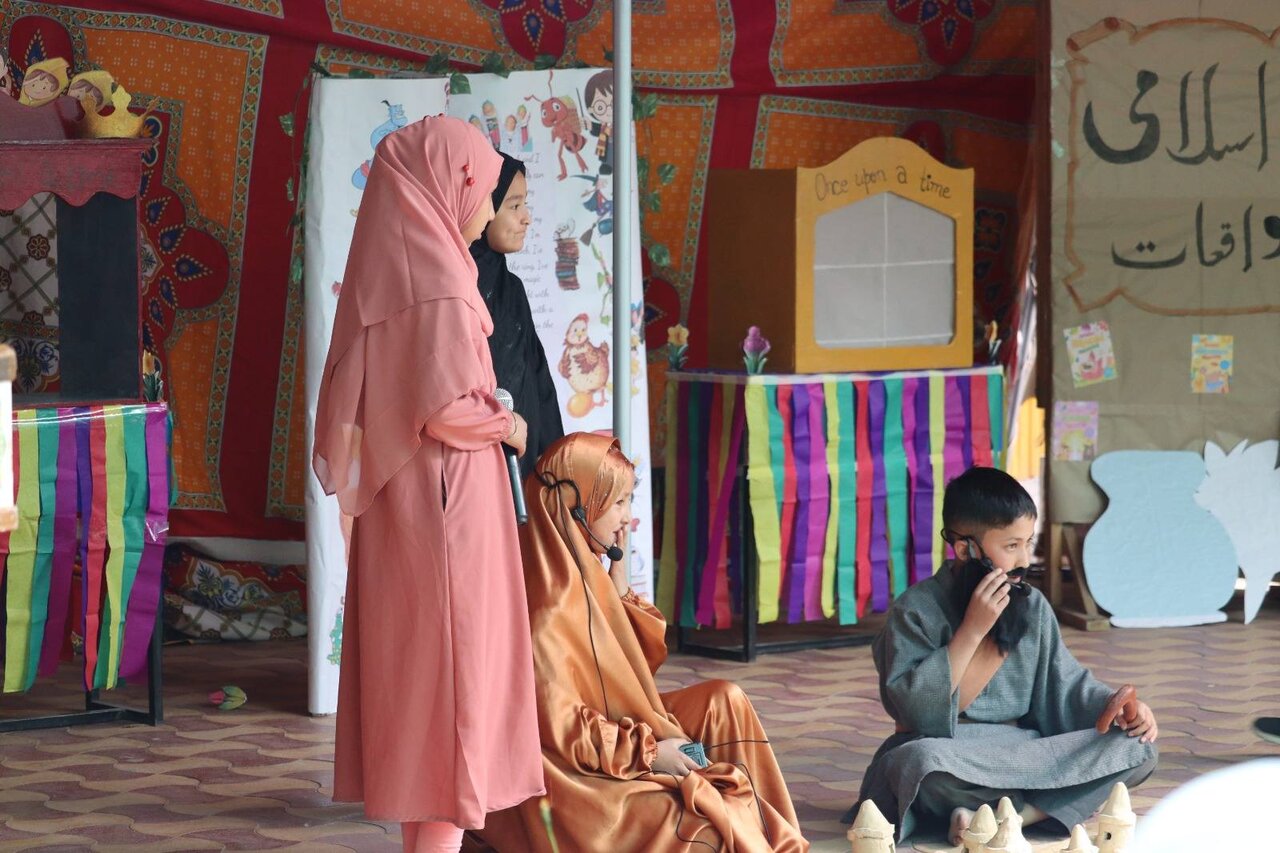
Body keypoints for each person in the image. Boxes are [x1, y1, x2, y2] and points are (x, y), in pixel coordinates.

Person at [313, 116, 544, 853]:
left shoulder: (397, 271)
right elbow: (446, 409)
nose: (485, 205)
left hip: (412, 508)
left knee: (429, 698)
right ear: (448, 186)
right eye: (481, 187)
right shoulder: (438, 286)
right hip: (447, 512)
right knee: (455, 697)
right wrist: (508, 423)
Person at [479, 433, 809, 852]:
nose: (627, 518)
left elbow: (637, 668)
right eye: (617, 503)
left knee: (725, 700)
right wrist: (651, 754)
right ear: (576, 508)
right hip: (574, 781)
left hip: (612, 741)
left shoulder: (583, 570)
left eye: (628, 501)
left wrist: (617, 587)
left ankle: (774, 838)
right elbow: (566, 732)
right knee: (703, 831)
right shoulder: (547, 609)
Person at [845, 467, 1159, 844]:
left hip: (1027, 752)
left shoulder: (1033, 605)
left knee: (1137, 748)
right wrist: (973, 630)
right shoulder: (916, 610)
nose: (1024, 559)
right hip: (952, 754)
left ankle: (1010, 819)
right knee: (918, 763)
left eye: (1028, 543)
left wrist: (1116, 708)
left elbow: (1065, 684)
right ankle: (1022, 807)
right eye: (1011, 546)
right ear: (966, 549)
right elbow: (914, 714)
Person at [470, 151, 563, 481]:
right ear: (482, 206)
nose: (526, 218)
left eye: (525, 204)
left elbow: (538, 379)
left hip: (522, 468)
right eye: (513, 206)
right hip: (473, 470)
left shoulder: (512, 289)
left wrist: (554, 466)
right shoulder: (453, 290)